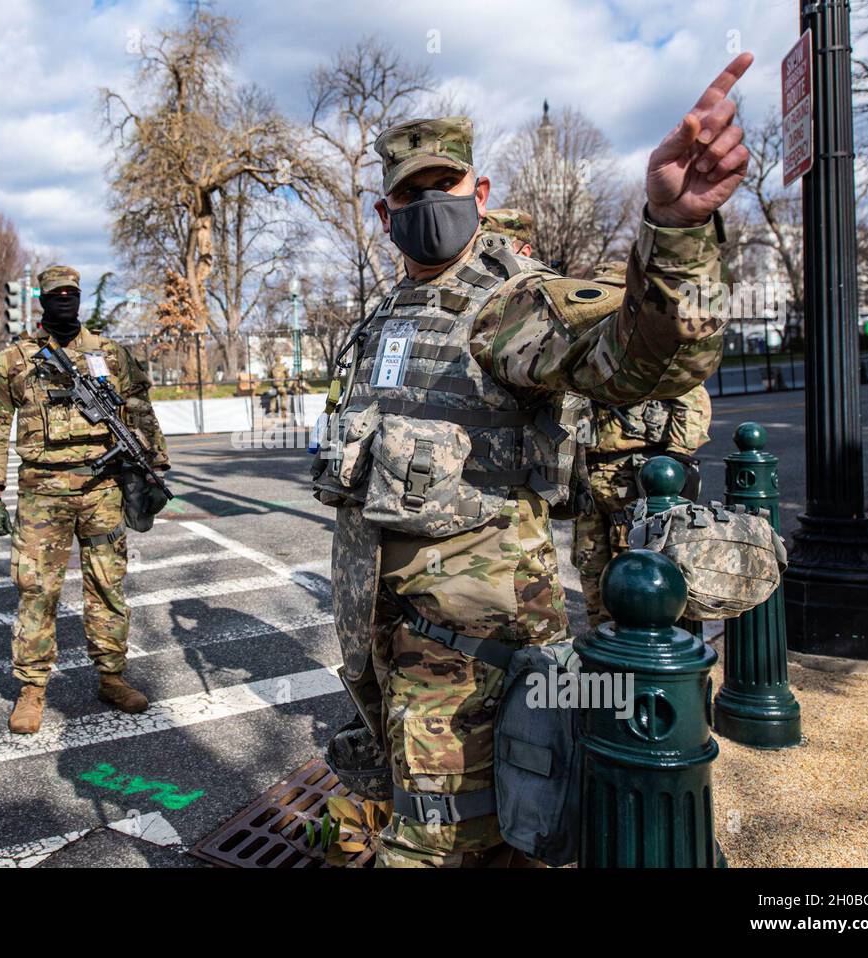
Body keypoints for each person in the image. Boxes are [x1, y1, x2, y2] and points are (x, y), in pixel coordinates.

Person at [316, 53, 752, 867]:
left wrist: (678, 232)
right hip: (385, 654)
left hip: (468, 660)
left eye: (445, 186)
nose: (428, 205)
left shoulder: (510, 303)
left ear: (479, 195)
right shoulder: (387, 314)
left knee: (446, 849)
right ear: (385, 213)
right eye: (410, 194)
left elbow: (643, 356)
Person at [0, 265, 169, 732]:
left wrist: (155, 467)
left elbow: (140, 408)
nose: (65, 300)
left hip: (102, 489)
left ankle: (111, 676)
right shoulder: (14, 359)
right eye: (55, 294)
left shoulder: (109, 353)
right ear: (41, 299)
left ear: (79, 298)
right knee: (36, 591)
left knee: (107, 584)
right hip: (42, 492)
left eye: (71, 294)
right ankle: (32, 688)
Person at [571, 262, 714, 625]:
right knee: (592, 573)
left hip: (636, 476)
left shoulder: (654, 347)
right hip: (590, 480)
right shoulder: (587, 346)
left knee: (638, 575)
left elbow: (692, 402)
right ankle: (604, 656)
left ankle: (635, 666)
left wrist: (673, 461)